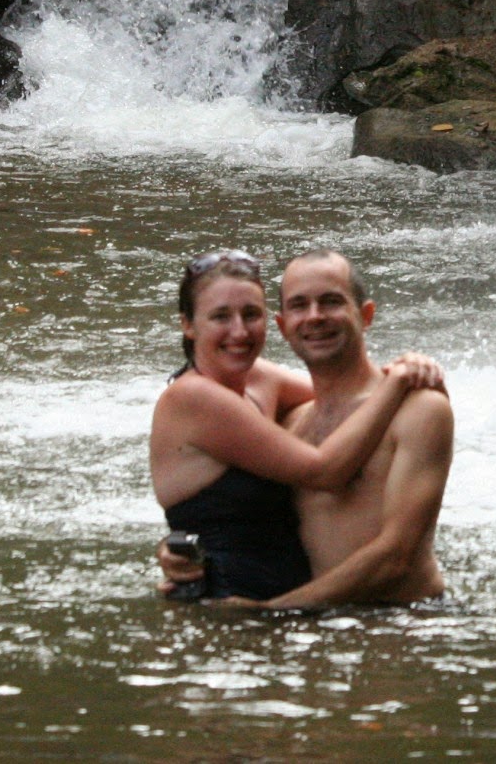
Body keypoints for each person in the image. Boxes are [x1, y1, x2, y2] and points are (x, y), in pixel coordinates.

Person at [157, 248, 453, 609]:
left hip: (401, 623)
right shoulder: (291, 422)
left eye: (331, 302)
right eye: (299, 306)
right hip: (315, 626)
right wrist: (183, 546)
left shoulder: (419, 411)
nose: (314, 317)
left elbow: (397, 558)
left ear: (366, 315)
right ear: (283, 325)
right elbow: (238, 508)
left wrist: (276, 611)